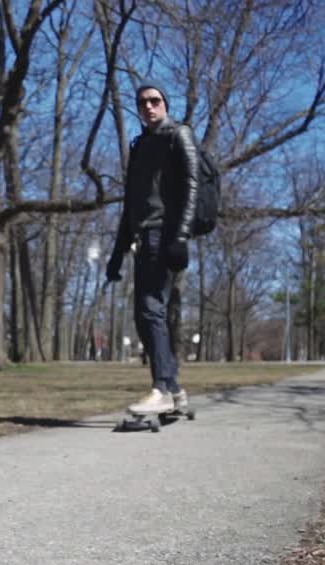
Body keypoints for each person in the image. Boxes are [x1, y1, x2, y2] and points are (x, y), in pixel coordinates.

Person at [105, 81, 199, 415]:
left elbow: (192, 185)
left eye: (155, 100)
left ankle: (161, 388)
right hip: (142, 238)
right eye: (142, 102)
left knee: (150, 308)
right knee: (144, 314)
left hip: (166, 234)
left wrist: (182, 236)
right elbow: (131, 205)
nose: (148, 106)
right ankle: (174, 388)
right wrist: (116, 255)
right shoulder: (141, 145)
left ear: (165, 103)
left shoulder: (179, 135)